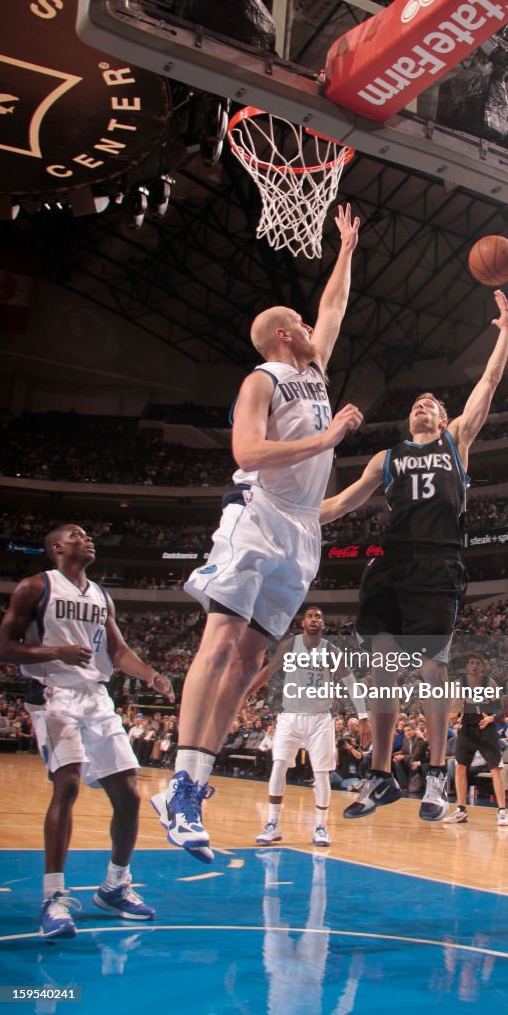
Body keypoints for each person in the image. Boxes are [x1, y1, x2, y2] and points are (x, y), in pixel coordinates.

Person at [151, 206, 363, 861]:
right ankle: (181, 784)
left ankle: (191, 786)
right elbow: (245, 450)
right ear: (279, 336)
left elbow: (332, 307)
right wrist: (326, 438)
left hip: (301, 534)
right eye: (297, 325)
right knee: (219, 643)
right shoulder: (262, 378)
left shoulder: (315, 370)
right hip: (258, 511)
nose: (310, 328)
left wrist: (346, 248)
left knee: (248, 663)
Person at [320, 290, 508, 822]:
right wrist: (287, 514)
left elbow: (489, 384)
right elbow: (339, 503)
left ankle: (433, 775)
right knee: (380, 669)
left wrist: (505, 335)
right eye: (415, 403)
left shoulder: (456, 441)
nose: (421, 405)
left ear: (444, 416)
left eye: (430, 402)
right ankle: (380, 776)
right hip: (390, 564)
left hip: (438, 562)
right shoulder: (387, 458)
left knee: (430, 669)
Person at [0, 524, 174, 939]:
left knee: (129, 793)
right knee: (68, 783)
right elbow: (3, 647)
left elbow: (118, 652)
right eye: (78, 534)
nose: (88, 538)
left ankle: (114, 886)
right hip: (53, 694)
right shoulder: (34, 588)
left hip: (95, 696)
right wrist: (53, 652)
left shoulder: (100, 595)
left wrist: (151, 676)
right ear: (58, 547)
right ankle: (54, 897)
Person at [253, 607, 369, 847]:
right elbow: (269, 671)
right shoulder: (288, 646)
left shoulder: (331, 650)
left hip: (319, 719)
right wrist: (247, 691)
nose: (315, 619)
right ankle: (272, 824)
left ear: (323, 625)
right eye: (310, 616)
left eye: (319, 617)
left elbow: (350, 682)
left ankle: (321, 827)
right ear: (303, 622)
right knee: (278, 767)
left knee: (321, 774)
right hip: (290, 716)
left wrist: (363, 716)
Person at [445, 652, 508, 825]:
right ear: (467, 666)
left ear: (482, 666)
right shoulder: (458, 684)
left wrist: (490, 718)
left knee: (496, 769)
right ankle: (461, 809)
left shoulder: (490, 683)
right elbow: (454, 713)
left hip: (487, 729)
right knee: (460, 767)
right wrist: (451, 718)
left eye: (478, 663)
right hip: (468, 729)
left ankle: (502, 811)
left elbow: (499, 711)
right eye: (471, 663)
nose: (474, 666)